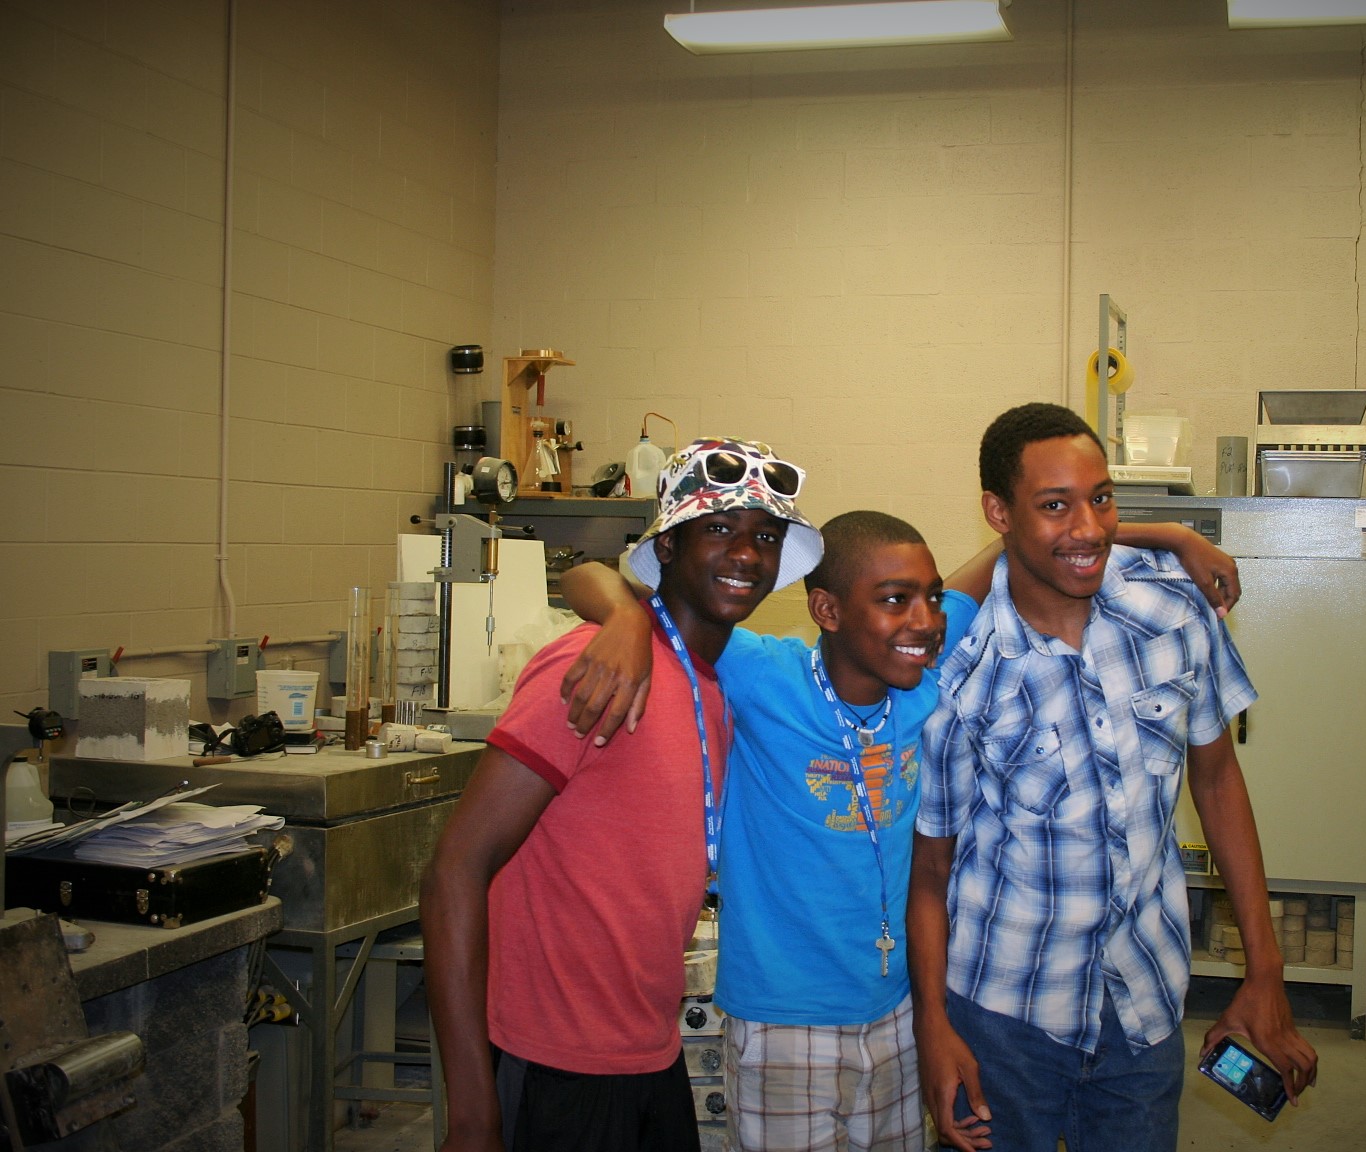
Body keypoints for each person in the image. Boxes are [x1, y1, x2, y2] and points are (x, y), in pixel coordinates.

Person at [559, 512, 1239, 1152]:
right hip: (783, 1020)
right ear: (827, 611)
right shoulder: (762, 674)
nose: (926, 619)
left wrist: (1173, 535)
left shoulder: (923, 683)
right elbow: (588, 575)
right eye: (895, 600)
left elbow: (1018, 540)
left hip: (897, 1014)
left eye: (933, 597)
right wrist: (624, 616)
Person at [908, 402, 1318, 1152]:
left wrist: (1265, 968)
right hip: (1004, 1015)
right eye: (1054, 505)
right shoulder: (959, 668)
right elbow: (931, 870)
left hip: (1143, 999)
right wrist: (932, 1025)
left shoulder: (1173, 609)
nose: (1090, 527)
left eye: (1101, 498)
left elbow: (1217, 781)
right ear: (998, 513)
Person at [420, 438, 822, 1152]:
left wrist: (624, 610)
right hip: (554, 1062)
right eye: (719, 528)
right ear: (666, 547)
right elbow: (455, 870)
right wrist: (472, 1110)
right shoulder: (593, 670)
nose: (746, 554)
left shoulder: (711, 686)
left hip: (647, 1050)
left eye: (765, 537)